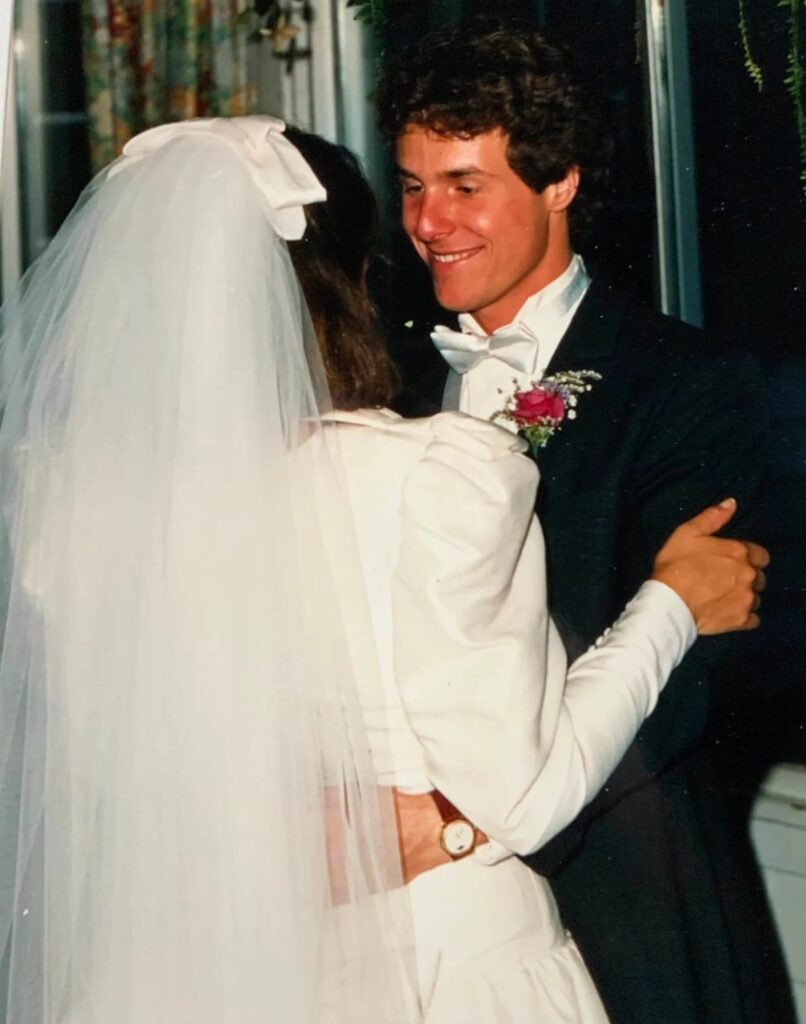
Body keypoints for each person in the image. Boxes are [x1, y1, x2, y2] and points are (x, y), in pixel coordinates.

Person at [0, 118, 766, 1024]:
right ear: (351, 279)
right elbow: (524, 799)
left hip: (188, 967)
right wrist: (670, 604)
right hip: (447, 967)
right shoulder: (422, 477)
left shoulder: (64, 511)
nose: (431, 223)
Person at [375, 16, 793, 1024]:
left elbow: (687, 675)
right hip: (412, 923)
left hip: (623, 891)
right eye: (412, 185)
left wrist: (458, 823)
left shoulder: (682, 384)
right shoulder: (386, 379)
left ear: (557, 181)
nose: (429, 224)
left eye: (464, 186)